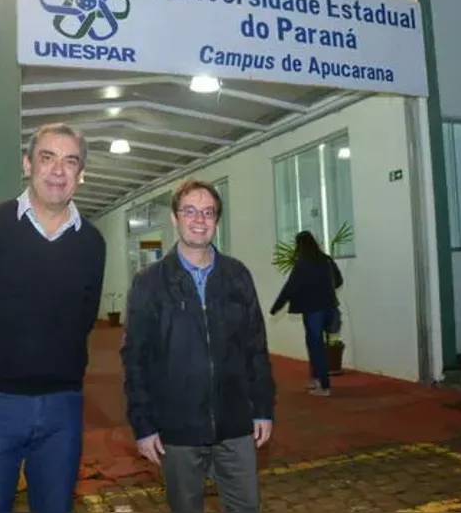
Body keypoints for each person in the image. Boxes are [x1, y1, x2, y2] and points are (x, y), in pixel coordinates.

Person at [0, 122, 106, 513]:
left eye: (70, 161)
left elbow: (85, 317)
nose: (58, 170)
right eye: (47, 157)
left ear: (80, 175)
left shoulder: (91, 242)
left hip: (62, 408)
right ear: (27, 164)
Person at [121, 179, 276, 513]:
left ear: (217, 221)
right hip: (177, 429)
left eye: (208, 213)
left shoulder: (237, 276)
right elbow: (135, 359)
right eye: (189, 211)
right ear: (175, 219)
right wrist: (143, 424)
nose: (199, 220)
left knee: (246, 506)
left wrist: (263, 407)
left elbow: (256, 348)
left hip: (236, 424)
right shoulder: (149, 284)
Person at [269, 230, 343, 397]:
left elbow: (290, 287)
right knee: (317, 345)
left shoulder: (302, 264)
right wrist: (326, 292)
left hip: (312, 311)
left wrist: (276, 307)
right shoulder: (326, 260)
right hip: (329, 308)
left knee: (315, 347)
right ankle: (316, 379)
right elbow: (339, 281)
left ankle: (324, 386)